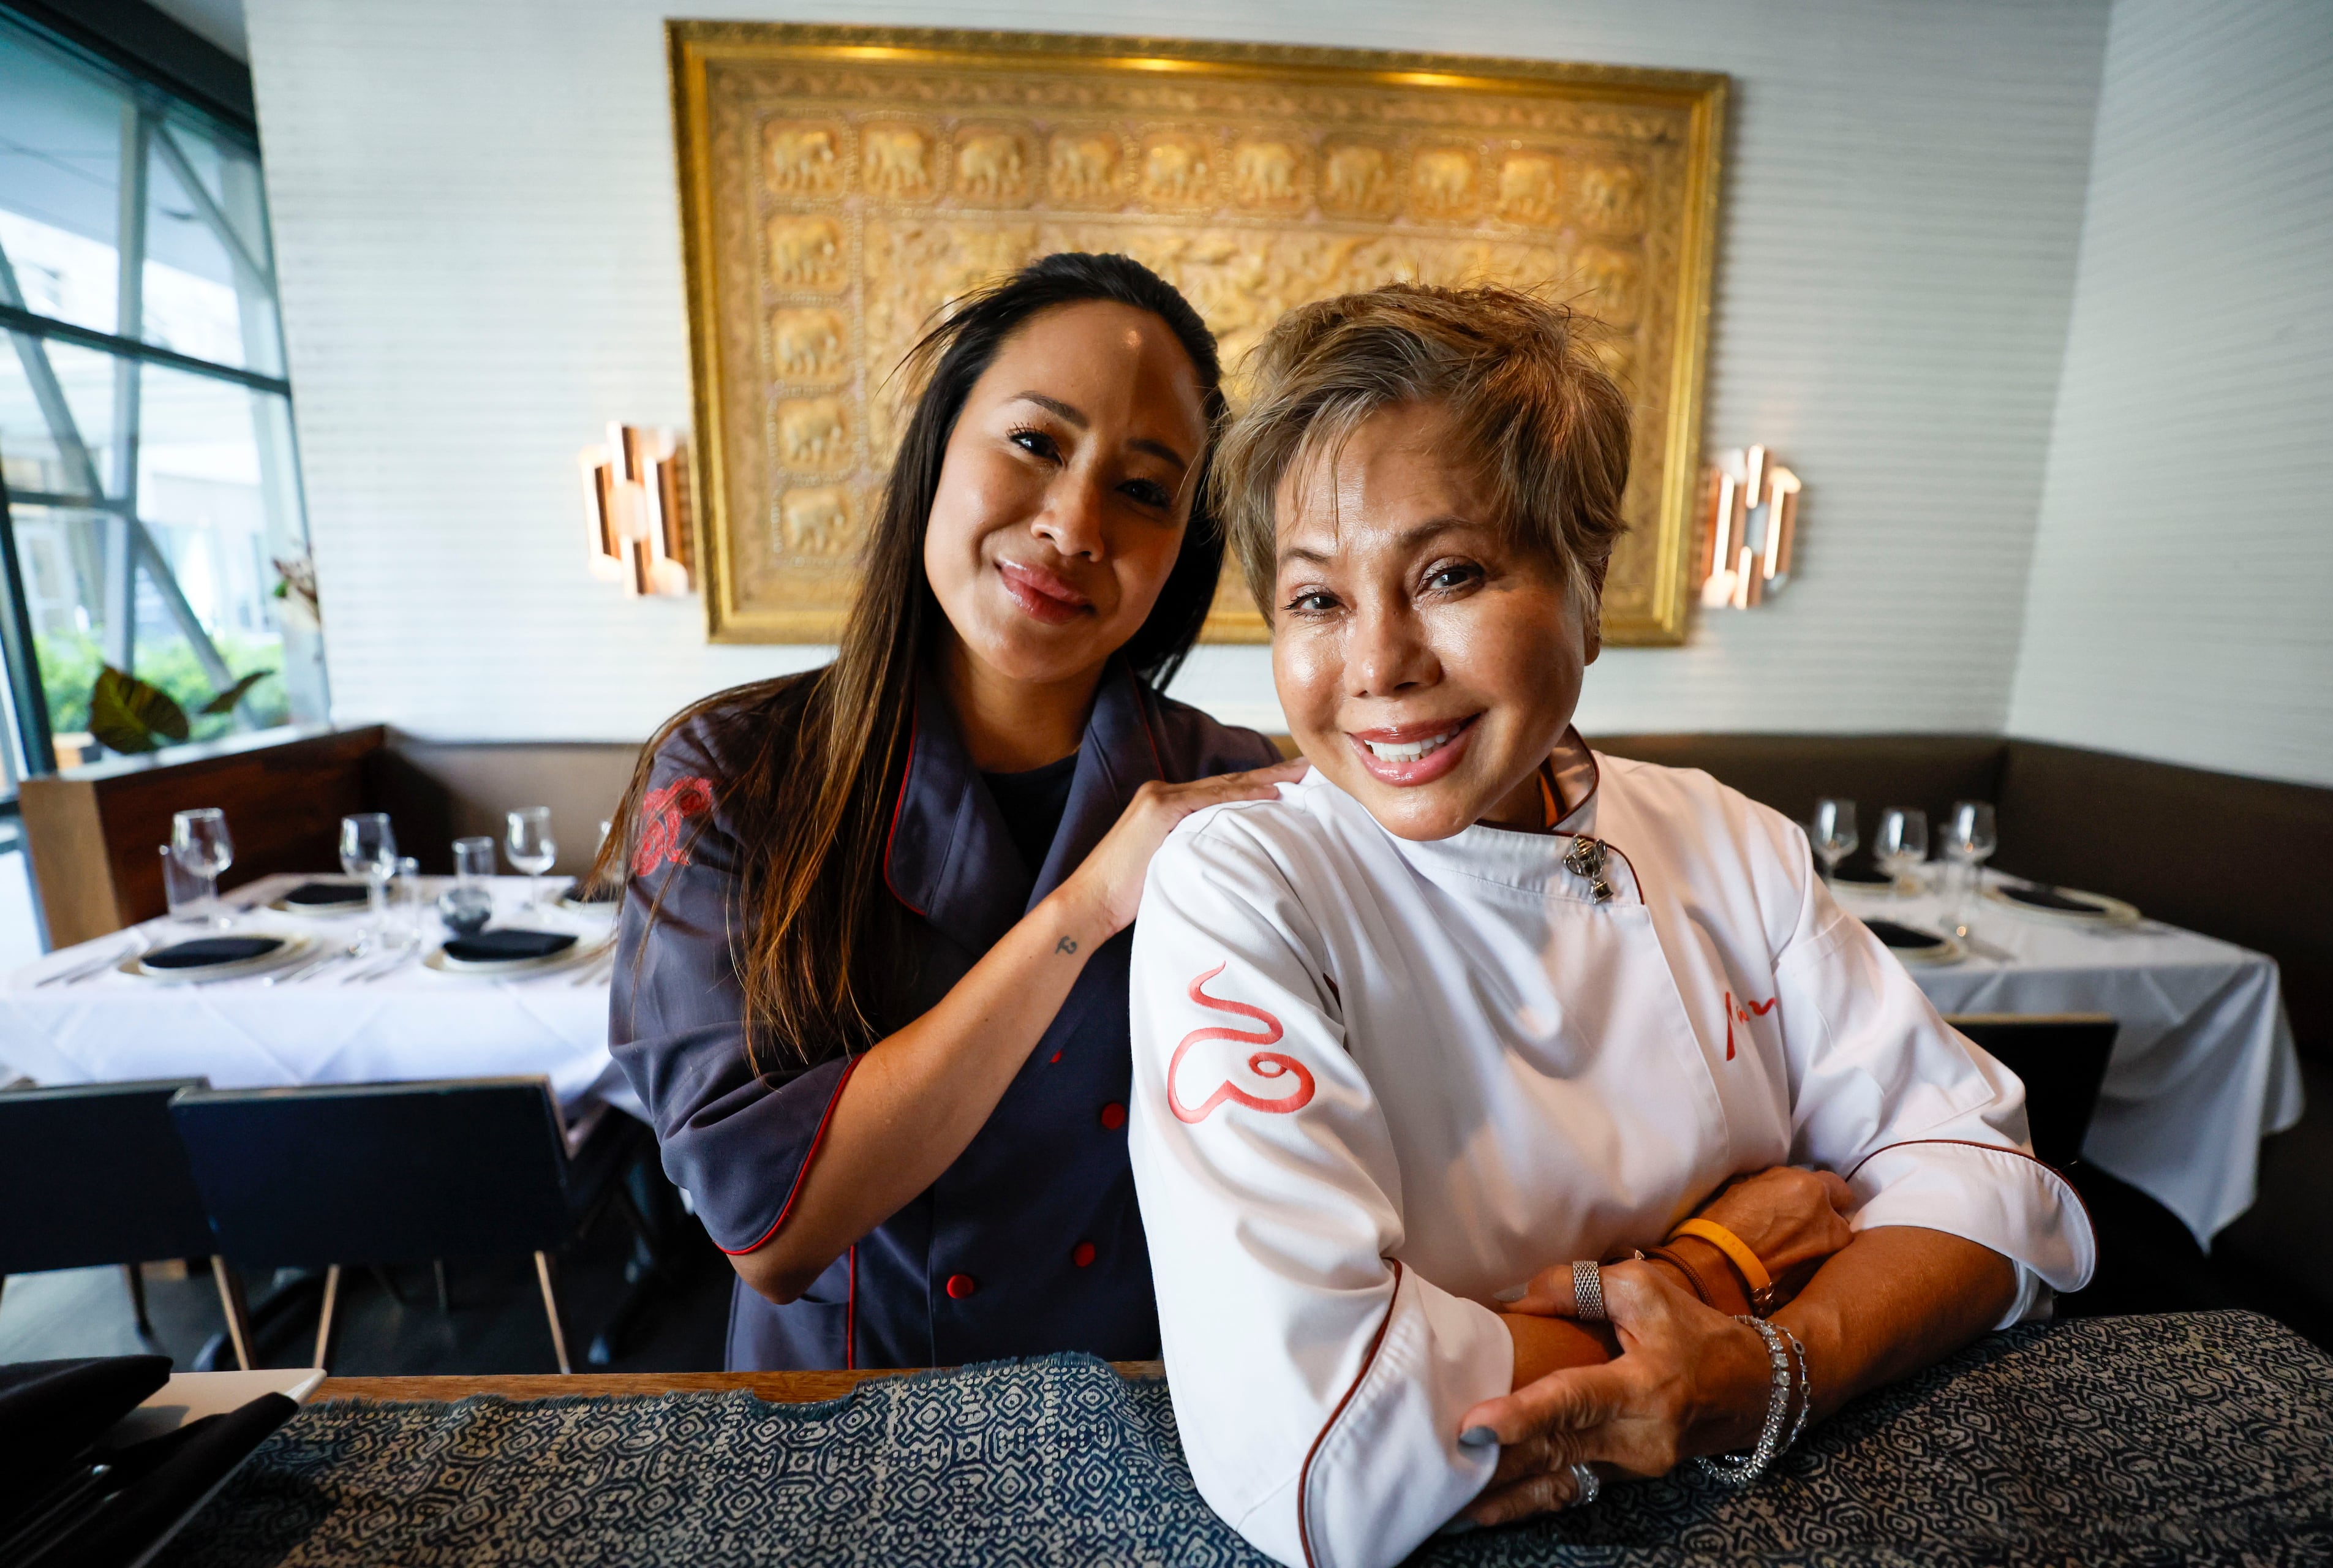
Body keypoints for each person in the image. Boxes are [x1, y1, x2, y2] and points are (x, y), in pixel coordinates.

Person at [1125, 284, 2095, 1568]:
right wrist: (1723, 1266)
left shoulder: (1728, 839)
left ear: (1587, 583)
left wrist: (1765, 1371)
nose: (1377, 663)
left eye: (1450, 574)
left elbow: (1990, 1190)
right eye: (1316, 601)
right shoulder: (1241, 885)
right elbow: (1330, 1438)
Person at [601, 253, 1297, 1370]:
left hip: (1141, 1411)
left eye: (1144, 489)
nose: (1075, 527)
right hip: (843, 1427)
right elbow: (764, 1224)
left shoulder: (1233, 785)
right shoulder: (730, 775)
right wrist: (1087, 907)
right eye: (1035, 443)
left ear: (1185, 549)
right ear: (938, 448)